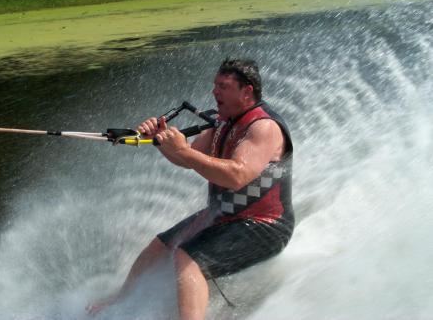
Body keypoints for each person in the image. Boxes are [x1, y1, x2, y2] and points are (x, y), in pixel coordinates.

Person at [87, 59, 294, 319]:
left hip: (266, 225)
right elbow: (189, 159)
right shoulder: (222, 120)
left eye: (223, 87)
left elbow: (237, 176)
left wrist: (182, 149)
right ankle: (119, 300)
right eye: (214, 86)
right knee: (161, 246)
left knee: (188, 257)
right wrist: (162, 141)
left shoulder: (263, 128)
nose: (214, 92)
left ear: (247, 91)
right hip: (225, 215)